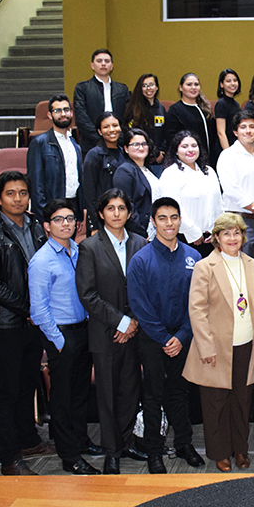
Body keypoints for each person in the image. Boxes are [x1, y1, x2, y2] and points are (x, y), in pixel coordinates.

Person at [0, 171, 53, 476]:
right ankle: (9, 457)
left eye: (23, 193)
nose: (18, 199)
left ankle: (28, 440)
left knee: (27, 385)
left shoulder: (36, 227)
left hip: (31, 324)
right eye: (11, 193)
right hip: (5, 324)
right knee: (7, 391)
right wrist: (28, 308)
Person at [127, 197, 206, 473]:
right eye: (162, 218)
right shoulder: (140, 260)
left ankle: (184, 444)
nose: (169, 223)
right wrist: (163, 338)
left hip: (183, 338)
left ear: (180, 220)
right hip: (152, 339)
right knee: (152, 396)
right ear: (153, 221)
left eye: (174, 217)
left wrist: (182, 335)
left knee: (180, 392)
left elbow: (197, 303)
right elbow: (139, 305)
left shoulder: (193, 257)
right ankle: (154, 451)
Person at [184, 213, 254, 472]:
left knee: (242, 402)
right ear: (216, 238)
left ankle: (241, 449)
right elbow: (197, 310)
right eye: (226, 233)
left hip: (246, 345)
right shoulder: (205, 267)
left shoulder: (252, 264)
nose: (233, 238)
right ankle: (220, 453)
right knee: (215, 403)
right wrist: (206, 347)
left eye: (237, 233)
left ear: (243, 236)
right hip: (215, 348)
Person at [75, 188, 147, 475]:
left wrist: (133, 322)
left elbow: (145, 289)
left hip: (135, 330)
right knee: (107, 393)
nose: (116, 213)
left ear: (129, 213)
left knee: (131, 390)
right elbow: (87, 294)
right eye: (111, 208)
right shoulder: (89, 247)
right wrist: (120, 322)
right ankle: (111, 451)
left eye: (121, 208)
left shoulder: (141, 244)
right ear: (101, 213)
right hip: (105, 333)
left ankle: (128, 441)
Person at [28, 199, 99, 475]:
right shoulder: (42, 261)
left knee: (81, 393)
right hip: (61, 335)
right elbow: (39, 309)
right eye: (59, 220)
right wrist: (59, 342)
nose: (66, 223)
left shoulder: (79, 251)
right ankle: (69, 455)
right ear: (47, 226)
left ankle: (81, 440)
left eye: (70, 219)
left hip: (83, 330)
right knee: (62, 398)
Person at [216, 110, 254, 261]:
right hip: (238, 220)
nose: (248, 131)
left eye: (252, 127)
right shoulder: (227, 156)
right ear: (235, 132)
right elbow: (231, 189)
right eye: (243, 127)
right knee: (237, 267)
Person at [159, 130, 223, 256]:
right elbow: (173, 208)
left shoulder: (209, 172)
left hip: (210, 238)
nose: (190, 150)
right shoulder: (171, 174)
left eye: (194, 146)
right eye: (184, 146)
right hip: (186, 238)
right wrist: (193, 232)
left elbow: (218, 204)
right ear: (176, 151)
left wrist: (217, 230)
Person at [27, 93, 82, 222]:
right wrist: (44, 217)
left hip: (72, 207)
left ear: (72, 114)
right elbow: (35, 184)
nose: (63, 114)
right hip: (51, 209)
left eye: (66, 110)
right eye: (57, 111)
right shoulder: (39, 143)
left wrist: (78, 215)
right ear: (50, 115)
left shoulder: (75, 144)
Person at [73, 49, 130, 155]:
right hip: (91, 144)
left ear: (112, 66)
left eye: (107, 61)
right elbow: (81, 119)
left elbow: (127, 116)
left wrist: (118, 137)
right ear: (92, 65)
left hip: (119, 144)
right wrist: (101, 137)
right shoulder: (82, 88)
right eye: (99, 61)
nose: (103, 64)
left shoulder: (122, 89)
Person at [82, 112, 128, 233]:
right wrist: (94, 225)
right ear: (99, 131)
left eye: (115, 125)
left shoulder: (125, 152)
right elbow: (89, 193)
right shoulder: (94, 155)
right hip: (102, 219)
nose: (112, 130)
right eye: (106, 127)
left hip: (122, 217)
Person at [112, 128, 161, 238]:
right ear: (126, 148)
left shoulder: (147, 169)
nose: (141, 147)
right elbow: (126, 205)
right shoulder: (124, 171)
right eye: (135, 144)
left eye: (144, 144)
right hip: (140, 232)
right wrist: (141, 233)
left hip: (155, 229)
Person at [164, 73, 216, 165]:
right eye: (189, 84)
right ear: (181, 87)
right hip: (187, 161)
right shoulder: (175, 110)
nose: (193, 87)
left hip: (208, 160)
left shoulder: (205, 108)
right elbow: (172, 139)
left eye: (196, 84)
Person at [124, 73, 167, 170]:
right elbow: (133, 134)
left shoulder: (161, 108)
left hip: (160, 159)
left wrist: (162, 152)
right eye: (144, 86)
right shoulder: (134, 109)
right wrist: (155, 152)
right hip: (141, 158)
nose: (148, 88)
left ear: (157, 87)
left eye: (151, 85)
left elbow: (166, 132)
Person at [214, 68, 242, 151]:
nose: (232, 83)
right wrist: (228, 153)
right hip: (225, 147)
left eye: (235, 80)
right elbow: (221, 133)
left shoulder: (235, 103)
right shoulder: (221, 104)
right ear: (222, 84)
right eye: (228, 81)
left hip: (234, 145)